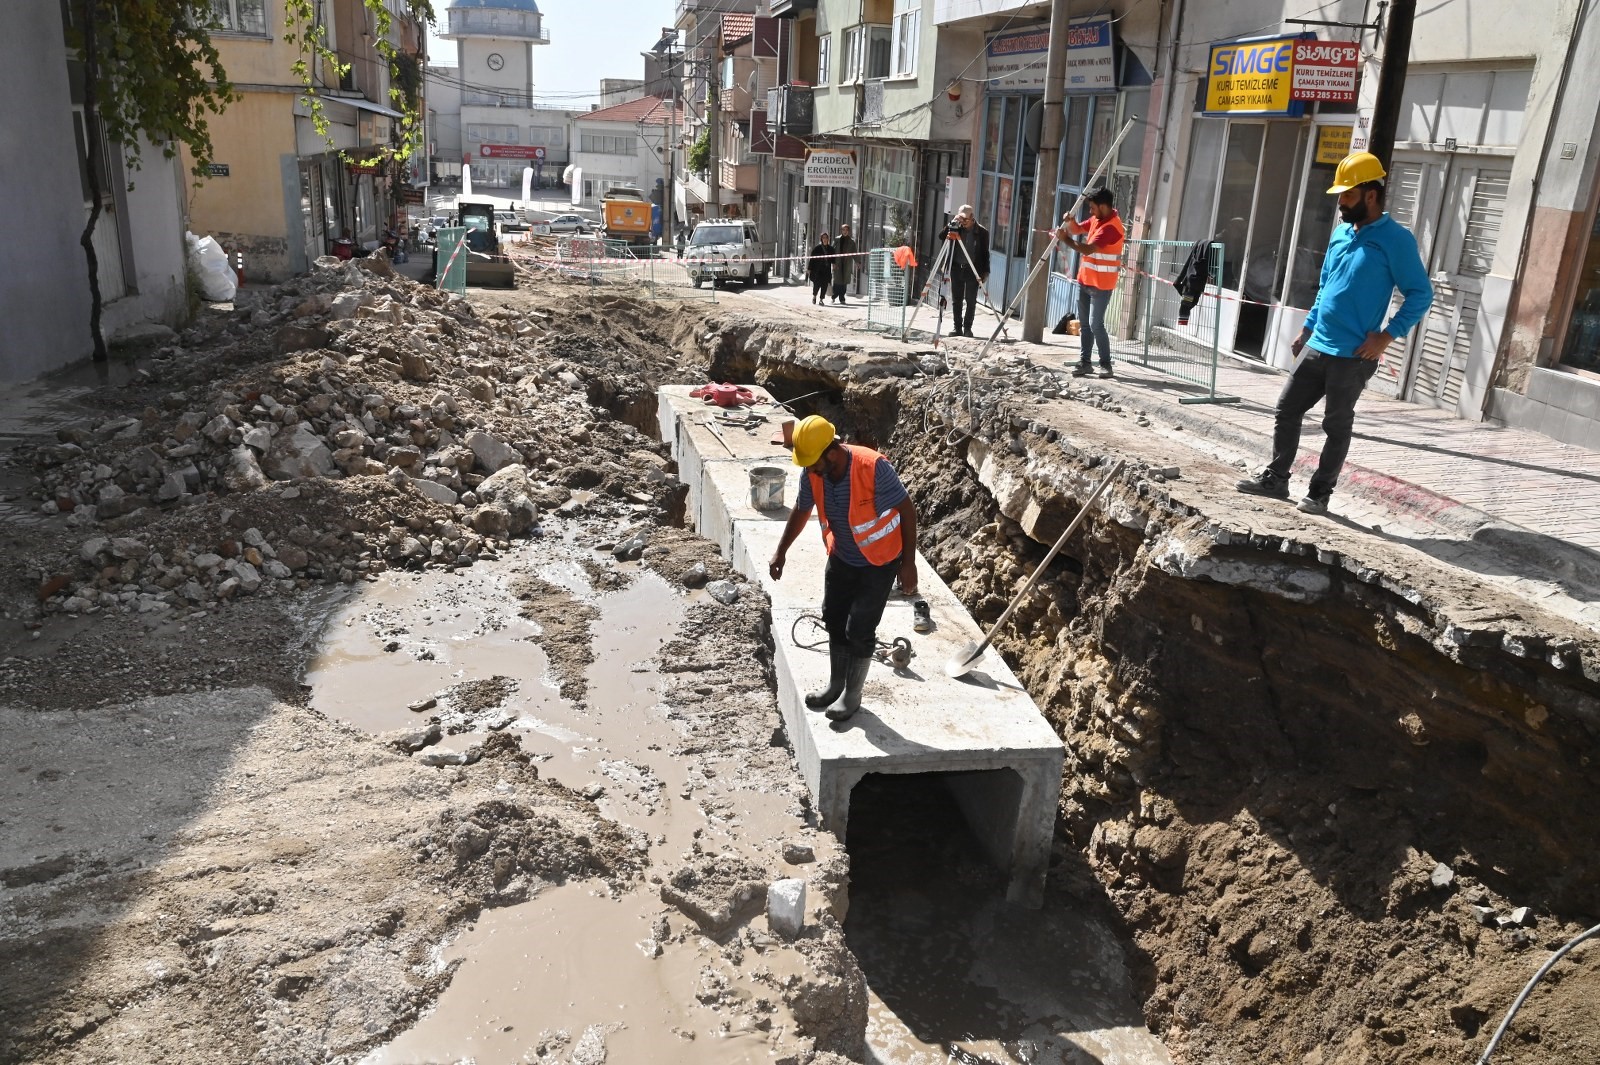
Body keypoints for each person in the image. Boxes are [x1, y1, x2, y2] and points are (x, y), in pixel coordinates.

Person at [1237, 151, 1433, 516]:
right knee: (1287, 409)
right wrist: (1308, 327)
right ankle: (1277, 479)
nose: (1340, 202)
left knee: (1335, 424)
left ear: (1369, 195)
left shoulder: (1396, 240)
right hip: (1318, 344)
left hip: (1354, 354)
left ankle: (1320, 492)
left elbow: (1421, 294)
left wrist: (1387, 336)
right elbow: (1326, 285)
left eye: (1347, 195)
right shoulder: (1341, 233)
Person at [769, 416, 919, 723]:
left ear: (833, 451)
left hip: (879, 562)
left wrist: (908, 563)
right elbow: (802, 507)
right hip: (841, 556)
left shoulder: (872, 467)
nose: (811, 471)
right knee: (834, 619)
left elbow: (907, 510)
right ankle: (835, 685)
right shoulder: (814, 471)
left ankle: (852, 694)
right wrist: (781, 551)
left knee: (859, 630)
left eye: (815, 464)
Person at [1055, 187, 1125, 378]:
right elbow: (1078, 228)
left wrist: (1065, 239)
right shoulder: (1098, 219)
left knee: (1096, 325)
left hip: (1102, 285)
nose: (1090, 212)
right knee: (1085, 325)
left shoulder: (1112, 227)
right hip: (1085, 280)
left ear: (1102, 207)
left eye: (1092, 208)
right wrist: (1070, 222)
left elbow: (1087, 250)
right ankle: (1085, 362)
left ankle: (1105, 364)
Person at [948, 204, 991, 337]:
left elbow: (985, 254)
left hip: (973, 270)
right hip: (956, 267)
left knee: (971, 300)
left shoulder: (982, 232)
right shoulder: (956, 228)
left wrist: (985, 272)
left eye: (965, 220)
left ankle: (968, 328)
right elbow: (941, 236)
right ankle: (957, 328)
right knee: (957, 300)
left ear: (972, 218)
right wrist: (951, 225)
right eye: (961, 219)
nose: (963, 222)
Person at [832, 223, 858, 305]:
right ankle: (834, 296)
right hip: (838, 263)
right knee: (837, 281)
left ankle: (842, 298)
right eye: (843, 230)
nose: (845, 231)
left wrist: (858, 262)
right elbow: (832, 251)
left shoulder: (851, 242)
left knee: (844, 282)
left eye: (846, 230)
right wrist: (833, 262)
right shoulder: (837, 239)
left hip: (846, 264)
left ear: (849, 231)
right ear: (841, 230)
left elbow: (854, 253)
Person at [809, 232, 834, 305]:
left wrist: (835, 264)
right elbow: (812, 259)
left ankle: (821, 299)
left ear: (828, 239)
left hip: (826, 270)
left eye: (826, 238)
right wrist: (809, 268)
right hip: (818, 270)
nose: (825, 239)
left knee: (824, 285)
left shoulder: (830, 249)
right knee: (817, 285)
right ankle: (814, 296)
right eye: (823, 238)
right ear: (821, 239)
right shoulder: (817, 248)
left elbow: (833, 259)